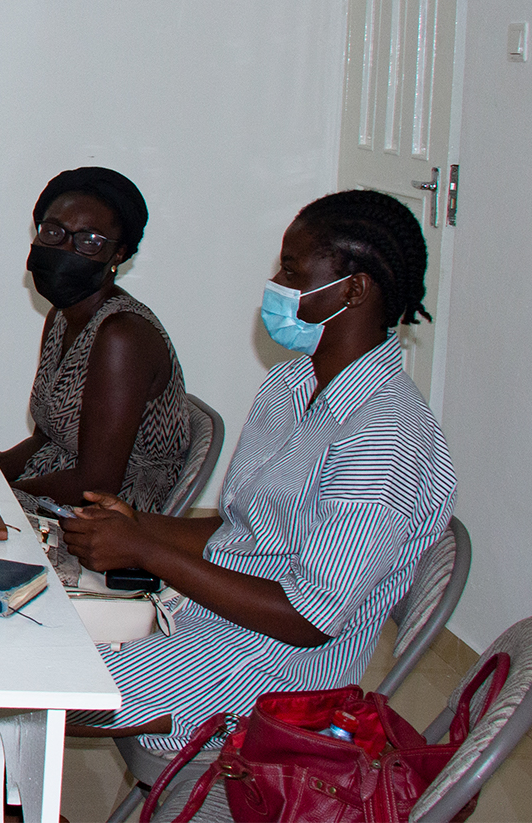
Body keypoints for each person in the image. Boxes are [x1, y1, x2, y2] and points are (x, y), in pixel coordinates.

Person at [60, 189, 455, 760]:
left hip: (269, 679)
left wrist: (145, 551)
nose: (275, 284)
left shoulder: (385, 439)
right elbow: (245, 529)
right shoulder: (290, 385)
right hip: (203, 623)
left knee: (32, 687)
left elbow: (308, 619)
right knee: (18, 637)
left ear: (353, 290)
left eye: (292, 272)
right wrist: (137, 526)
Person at [0, 167, 191, 518]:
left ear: (118, 255)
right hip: (46, 491)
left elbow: (96, 485)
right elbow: (43, 441)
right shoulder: (61, 316)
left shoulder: (123, 336)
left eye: (89, 240)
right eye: (53, 232)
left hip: (104, 519)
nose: (65, 248)